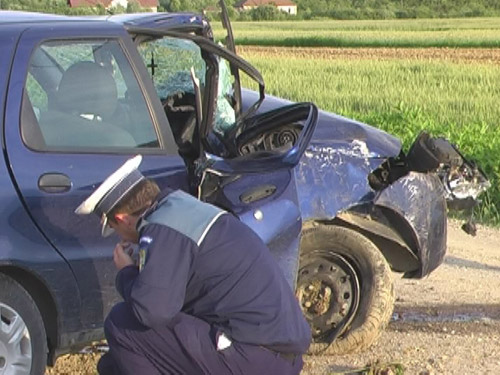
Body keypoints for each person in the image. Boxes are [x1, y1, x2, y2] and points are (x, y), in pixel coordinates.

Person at [75, 155, 311, 375]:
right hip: (277, 354)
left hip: (253, 356)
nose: (122, 239)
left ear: (121, 219)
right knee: (114, 364)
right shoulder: (181, 209)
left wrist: (126, 273)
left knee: (121, 323)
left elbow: (152, 312)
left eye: (116, 231)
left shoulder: (161, 226)